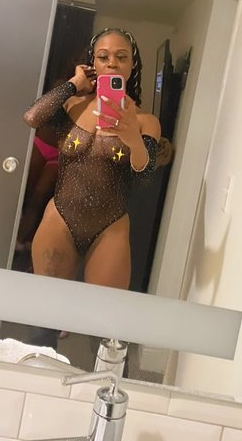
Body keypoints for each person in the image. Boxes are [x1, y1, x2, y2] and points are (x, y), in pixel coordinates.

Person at [23, 28, 161, 347]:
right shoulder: (73, 106)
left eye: (121, 57)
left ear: (132, 65)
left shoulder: (144, 121)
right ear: (93, 63)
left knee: (106, 331)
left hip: (109, 227)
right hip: (60, 219)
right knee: (43, 322)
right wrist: (74, 83)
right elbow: (32, 117)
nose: (112, 63)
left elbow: (144, 178)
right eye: (103, 56)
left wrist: (133, 140)